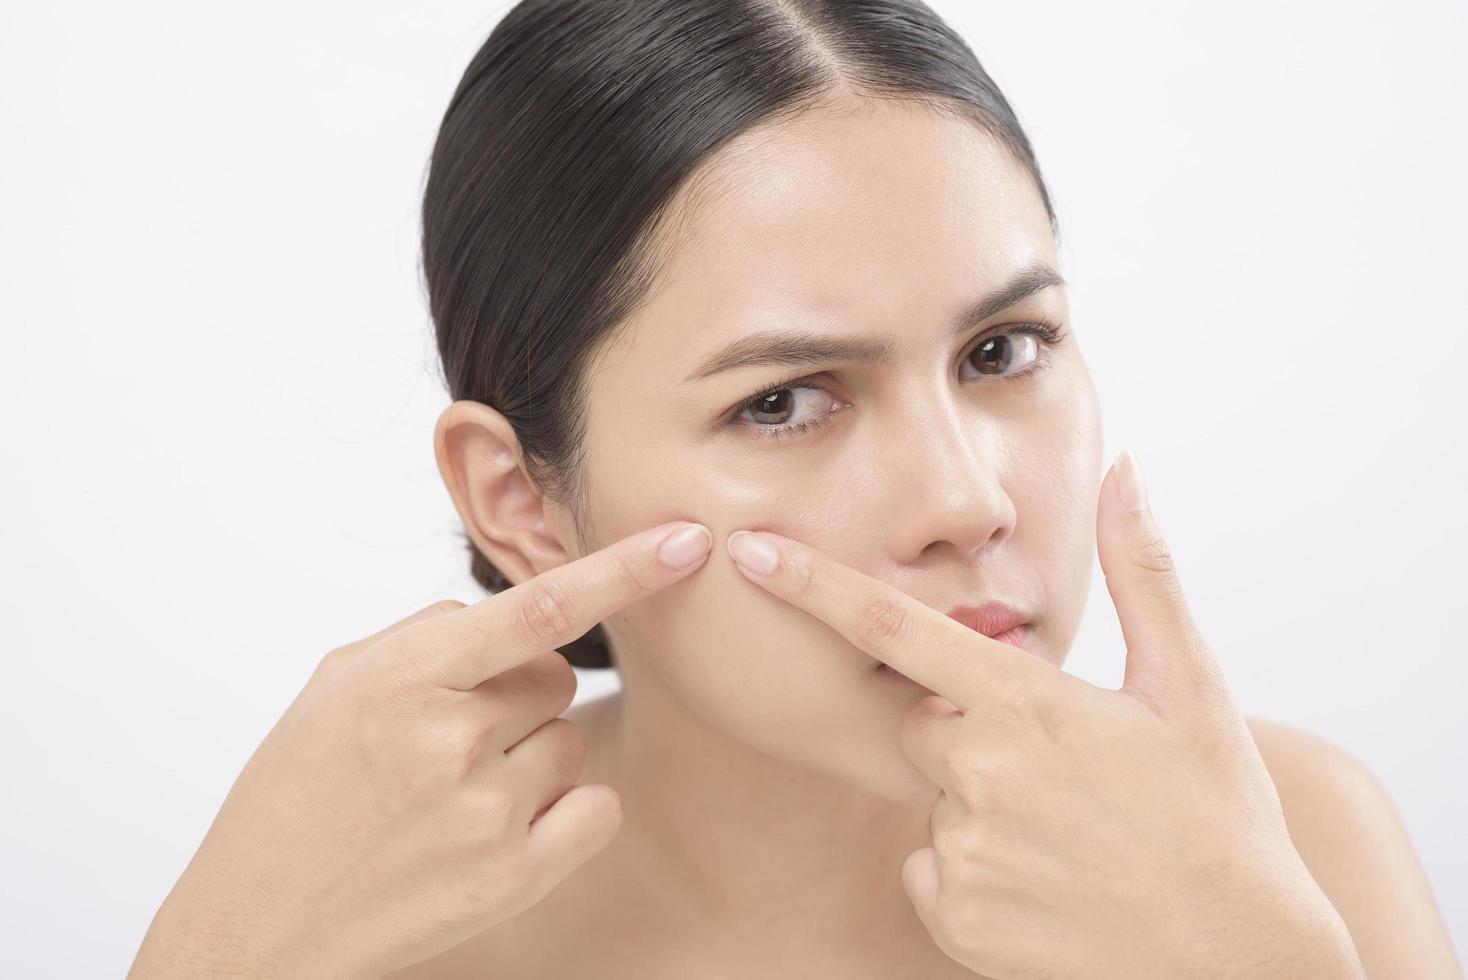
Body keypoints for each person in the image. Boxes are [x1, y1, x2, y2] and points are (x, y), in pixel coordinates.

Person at [128, 1, 1462, 978]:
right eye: (781, 402)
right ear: (523, 501)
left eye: (1005, 350)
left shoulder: (1292, 856)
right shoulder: (373, 931)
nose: (967, 499)